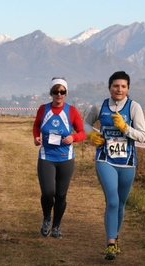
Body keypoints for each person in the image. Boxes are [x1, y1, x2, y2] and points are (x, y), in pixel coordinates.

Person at [83, 71, 145, 260]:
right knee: (112, 200)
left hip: (127, 162)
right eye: (116, 86)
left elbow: (142, 136)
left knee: (120, 204)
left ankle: (115, 238)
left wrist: (125, 128)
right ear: (109, 87)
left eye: (123, 86)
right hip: (105, 159)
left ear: (128, 88)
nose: (119, 89)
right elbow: (85, 123)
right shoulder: (100, 106)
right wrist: (91, 135)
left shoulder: (134, 107)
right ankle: (110, 243)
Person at [33, 77, 86, 239]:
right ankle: (47, 218)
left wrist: (74, 138)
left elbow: (82, 132)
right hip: (47, 156)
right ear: (51, 93)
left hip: (65, 158)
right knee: (48, 192)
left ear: (66, 93)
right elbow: (36, 125)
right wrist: (36, 138)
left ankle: (56, 226)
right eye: (56, 91)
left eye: (62, 92)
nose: (59, 95)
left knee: (61, 195)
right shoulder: (44, 109)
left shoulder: (72, 111)